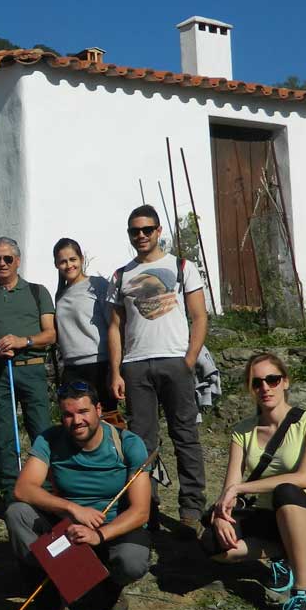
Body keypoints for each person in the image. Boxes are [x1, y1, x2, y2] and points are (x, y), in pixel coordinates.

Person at [7, 383, 152, 610]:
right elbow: (23, 489)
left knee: (132, 561)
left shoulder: (128, 443)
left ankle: (111, 586)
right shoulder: (49, 440)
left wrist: (99, 535)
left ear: (98, 410)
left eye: (83, 412)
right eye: (68, 414)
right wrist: (72, 509)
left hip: (112, 527)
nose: (77, 421)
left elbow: (141, 511)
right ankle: (51, 597)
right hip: (66, 526)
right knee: (17, 513)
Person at [203, 353, 306, 610]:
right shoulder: (243, 431)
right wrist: (222, 514)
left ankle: (304, 593)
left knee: (287, 491)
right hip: (268, 518)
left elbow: (305, 477)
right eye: (256, 382)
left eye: (272, 379)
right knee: (212, 543)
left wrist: (241, 488)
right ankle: (283, 557)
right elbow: (230, 485)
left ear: (285, 382)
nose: (265, 388)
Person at [106, 205, 209, 533]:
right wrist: (116, 371)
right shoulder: (120, 275)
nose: (141, 235)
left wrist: (189, 360)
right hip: (136, 366)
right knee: (141, 443)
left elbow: (199, 316)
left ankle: (191, 508)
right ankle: (145, 507)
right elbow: (114, 327)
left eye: (147, 229)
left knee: (185, 436)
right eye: (134, 231)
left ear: (158, 231)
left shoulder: (182, 267)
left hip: (174, 361)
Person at [0, 237, 56, 493]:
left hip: (32, 368)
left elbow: (50, 334)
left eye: (7, 258)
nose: (2, 263)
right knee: (4, 432)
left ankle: (45, 488)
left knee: (41, 429)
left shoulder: (37, 292)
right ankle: (11, 490)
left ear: (17, 260)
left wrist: (23, 341)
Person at [52, 238, 117, 411]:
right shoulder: (60, 295)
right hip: (71, 368)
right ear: (56, 264)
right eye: (63, 261)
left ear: (81, 259)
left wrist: (115, 368)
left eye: (73, 259)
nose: (69, 265)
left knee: (106, 417)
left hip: (98, 364)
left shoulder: (97, 285)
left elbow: (113, 324)